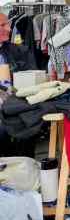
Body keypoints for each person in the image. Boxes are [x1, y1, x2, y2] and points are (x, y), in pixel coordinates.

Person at [0, 12, 38, 157]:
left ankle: (24, 166)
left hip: (17, 104)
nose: (9, 29)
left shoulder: (20, 51)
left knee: (30, 121)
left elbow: (32, 77)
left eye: (8, 24)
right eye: (3, 25)